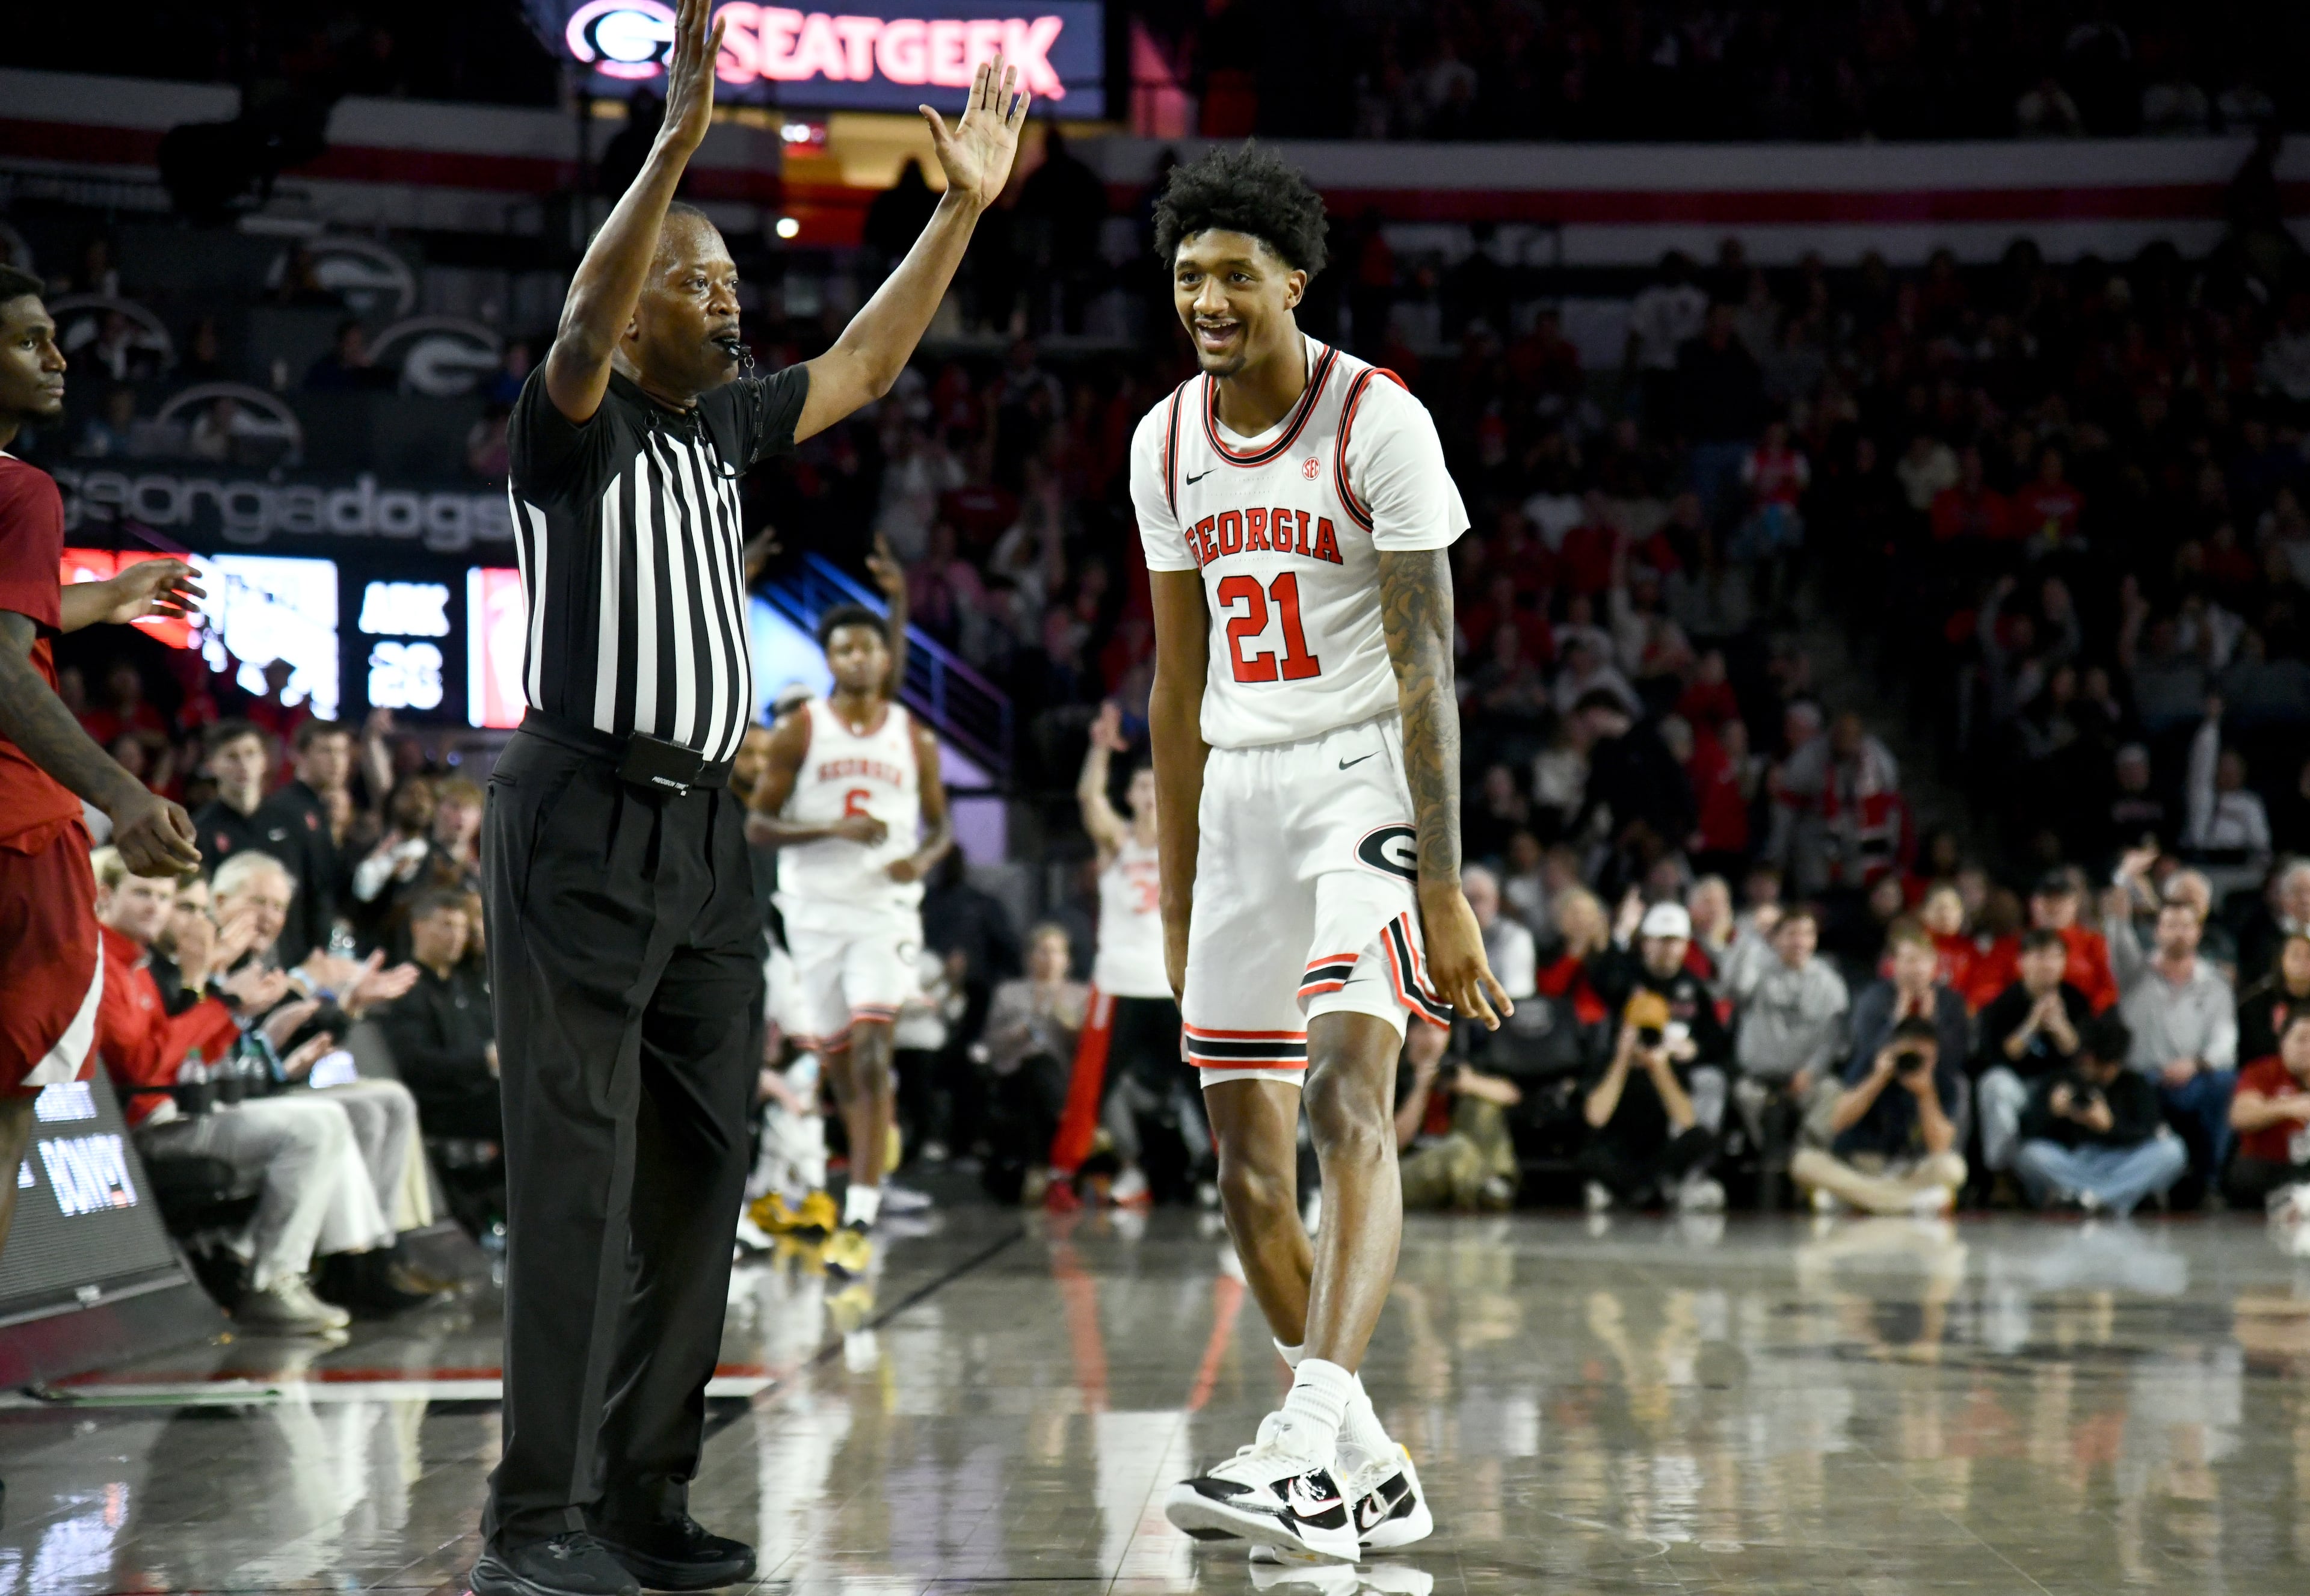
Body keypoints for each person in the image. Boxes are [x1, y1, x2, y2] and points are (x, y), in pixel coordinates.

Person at [473, 7, 1023, 1589]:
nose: (727, 301)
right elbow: (580, 320)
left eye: (729, 283)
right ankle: (534, 1524)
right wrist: (670, 145)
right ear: (633, 307)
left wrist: (961, 210)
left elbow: (861, 362)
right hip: (580, 815)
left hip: (712, 838)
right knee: (575, 1169)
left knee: (706, 1167)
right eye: (696, 286)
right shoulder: (567, 424)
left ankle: (643, 1494)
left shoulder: (719, 422)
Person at [1136, 143, 1505, 1563]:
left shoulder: (1377, 422)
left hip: (1367, 775)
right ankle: (1368, 1472)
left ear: (1294, 277)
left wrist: (1440, 884)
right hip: (1238, 793)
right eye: (1187, 275)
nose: (1209, 297)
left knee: (1356, 1087)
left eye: (1235, 272)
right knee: (1241, 1156)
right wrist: (1175, 893)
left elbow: (1427, 669)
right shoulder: (1162, 442)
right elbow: (1173, 694)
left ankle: (1298, 1442)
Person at [0, 263, 203, 1272]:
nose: (57, 355)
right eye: (29, 339)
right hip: (16, 832)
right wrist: (121, 794)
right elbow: (1, 670)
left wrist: (105, 599)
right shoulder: (20, 488)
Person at [745, 561, 949, 1276]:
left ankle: (861, 1209)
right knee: (841, 1070)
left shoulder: (912, 735)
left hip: (884, 913)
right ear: (828, 660)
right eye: (844, 649)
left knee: (870, 1052)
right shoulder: (803, 731)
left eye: (869, 646)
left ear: (886, 656)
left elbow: (943, 831)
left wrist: (918, 865)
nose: (858, 658)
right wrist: (831, 829)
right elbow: (758, 827)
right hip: (813, 916)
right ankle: (862, 1165)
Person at [90, 848, 383, 1335]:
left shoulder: (137, 966)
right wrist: (222, 1001)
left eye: (164, 897)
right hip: (143, 1126)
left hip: (173, 1111)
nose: (156, 907)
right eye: (143, 893)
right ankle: (270, 1279)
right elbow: (145, 1065)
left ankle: (264, 1265)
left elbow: (190, 1058)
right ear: (105, 896)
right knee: (314, 1125)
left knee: (329, 1118)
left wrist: (235, 1012)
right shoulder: (107, 965)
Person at [1049, 701, 1189, 1207]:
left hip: (1175, 984)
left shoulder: (1186, 842)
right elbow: (1089, 797)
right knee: (1091, 1087)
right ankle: (1062, 1173)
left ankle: (1232, 1177)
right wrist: (1099, 750)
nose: (1149, 796)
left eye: (1157, 788)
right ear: (1129, 795)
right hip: (1118, 981)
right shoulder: (1117, 842)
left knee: (1210, 1082)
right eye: (1141, 788)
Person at [2116, 900, 2237, 1199]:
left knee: (2226, 1083)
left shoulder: (2215, 983)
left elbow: (2225, 1039)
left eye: (2186, 926)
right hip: (2142, 1077)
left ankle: (2210, 1180)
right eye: (2170, 925)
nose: (2178, 934)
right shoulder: (2134, 973)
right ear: (2156, 932)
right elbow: (2118, 945)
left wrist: (2196, 1064)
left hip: (2193, 1076)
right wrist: (2118, 910)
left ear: (2198, 933)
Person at [1791, 1015, 1968, 1216]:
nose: (1916, 1062)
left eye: (1925, 1057)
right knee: (1804, 1162)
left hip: (1908, 1172)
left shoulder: (1943, 1082)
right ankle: (1906, 1203)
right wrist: (1879, 1078)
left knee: (1953, 1168)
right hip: (1859, 1167)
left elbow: (1940, 1148)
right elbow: (1838, 1121)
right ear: (1894, 1047)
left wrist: (1925, 1094)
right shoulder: (1872, 1065)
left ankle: (1855, 1200)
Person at [2013, 1015, 2188, 1216]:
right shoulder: (2061, 1080)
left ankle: (2094, 1199)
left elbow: (2148, 1132)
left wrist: (2110, 1127)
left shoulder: (2136, 1086)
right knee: (2031, 1155)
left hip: (2124, 1161)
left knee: (2173, 1151)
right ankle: (2111, 1198)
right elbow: (2028, 1133)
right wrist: (2051, 1113)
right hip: (2076, 1160)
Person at [1726, 905, 1849, 1168]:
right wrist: (1750, 936)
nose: (1800, 942)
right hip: (1759, 1078)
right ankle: (1770, 1159)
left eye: (1807, 934)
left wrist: (1811, 1072)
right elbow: (1734, 987)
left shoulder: (1830, 982)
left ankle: (1806, 1155)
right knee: (1745, 1094)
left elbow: (1833, 1038)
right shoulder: (1758, 971)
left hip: (1805, 1079)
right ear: (1776, 938)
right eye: (1792, 934)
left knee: (1832, 1091)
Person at [1578, 988, 1719, 1212]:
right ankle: (1645, 1191)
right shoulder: (1607, 1061)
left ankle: (1645, 1190)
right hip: (1617, 1152)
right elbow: (1596, 1117)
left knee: (1702, 1138)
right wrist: (1623, 1060)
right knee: (1590, 1155)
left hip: (1656, 1154)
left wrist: (1660, 1069)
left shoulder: (1668, 1066)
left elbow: (1686, 1121)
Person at [376, 888, 500, 1140]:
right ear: (418, 927)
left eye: (461, 928)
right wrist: (484, 1061)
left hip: (481, 1093)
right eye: (446, 925)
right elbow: (415, 1063)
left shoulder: (467, 985)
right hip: (443, 1107)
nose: (455, 936)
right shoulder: (404, 989)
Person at [1973, 928, 2095, 1179]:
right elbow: (2002, 1056)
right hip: (2019, 1084)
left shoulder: (2076, 1001)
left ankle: (2068, 1173)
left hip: (2059, 1085)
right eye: (2040, 957)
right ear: (2022, 962)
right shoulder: (2004, 1002)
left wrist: (2060, 1027)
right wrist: (2032, 1025)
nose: (2048, 965)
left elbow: (2081, 1054)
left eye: (2055, 957)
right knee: (1994, 1085)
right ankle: (2002, 1174)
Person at [2226, 1009, 2310, 1209]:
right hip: (2271, 1167)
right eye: (2301, 1040)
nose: (2308, 1048)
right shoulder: (2262, 1072)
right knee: (2245, 1174)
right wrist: (2289, 1107)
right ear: (2283, 1042)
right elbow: (2240, 1116)